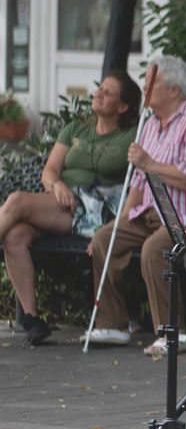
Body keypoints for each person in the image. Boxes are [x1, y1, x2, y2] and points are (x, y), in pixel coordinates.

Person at [82, 55, 186, 358]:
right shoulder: (149, 124)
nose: (144, 87)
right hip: (152, 213)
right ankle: (113, 323)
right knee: (103, 239)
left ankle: (171, 332)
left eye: (151, 82)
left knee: (156, 249)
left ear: (174, 90)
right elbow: (138, 182)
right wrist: (118, 225)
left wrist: (150, 163)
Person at [0, 72, 142, 346]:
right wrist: (57, 186)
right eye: (99, 88)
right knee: (14, 235)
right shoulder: (76, 129)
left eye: (108, 92)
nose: (98, 93)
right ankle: (32, 319)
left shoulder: (132, 135)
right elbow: (50, 171)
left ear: (123, 106)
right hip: (64, 202)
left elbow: (160, 155)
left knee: (17, 201)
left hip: (98, 209)